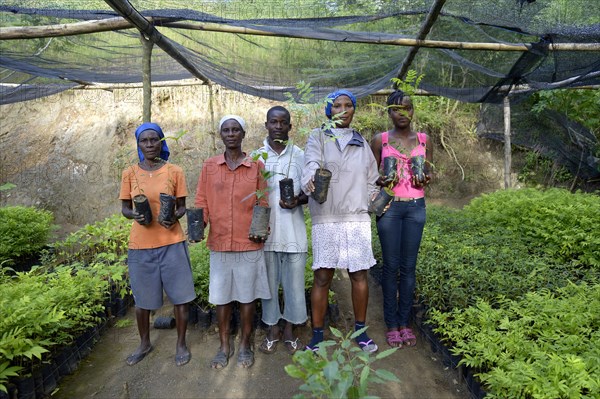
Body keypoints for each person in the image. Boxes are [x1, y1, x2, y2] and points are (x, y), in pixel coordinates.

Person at [301, 90, 380, 352]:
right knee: (323, 276)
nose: (343, 110)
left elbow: (371, 179)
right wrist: (312, 177)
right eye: (337, 106)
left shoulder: (362, 143)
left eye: (348, 105)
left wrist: (377, 197)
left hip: (356, 218)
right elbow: (310, 163)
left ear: (354, 110)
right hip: (327, 217)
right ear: (329, 110)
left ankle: (361, 332)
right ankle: (317, 335)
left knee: (359, 275)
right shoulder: (318, 137)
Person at [194, 115, 271, 369]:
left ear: (243, 134)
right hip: (219, 243)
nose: (230, 133)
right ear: (221, 135)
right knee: (222, 298)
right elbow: (202, 201)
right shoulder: (210, 166)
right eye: (226, 130)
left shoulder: (256, 166)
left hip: (248, 242)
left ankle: (246, 344)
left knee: (247, 297)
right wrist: (198, 224)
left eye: (235, 129)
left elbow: (262, 201)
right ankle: (224, 345)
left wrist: (261, 228)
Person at [119, 122, 196, 367]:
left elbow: (182, 205)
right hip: (140, 246)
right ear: (139, 144)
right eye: (145, 141)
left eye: (155, 140)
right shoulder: (130, 173)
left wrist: (176, 215)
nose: (150, 144)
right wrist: (134, 216)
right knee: (142, 300)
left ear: (162, 142)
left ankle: (181, 343)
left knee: (180, 297)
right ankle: (144, 343)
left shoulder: (174, 171)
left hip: (171, 241)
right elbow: (124, 208)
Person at [369, 89, 432, 348]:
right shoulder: (379, 140)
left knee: (409, 267)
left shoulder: (424, 139)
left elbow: (429, 171)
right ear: (389, 113)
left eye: (406, 108)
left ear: (413, 110)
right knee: (391, 266)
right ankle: (391, 323)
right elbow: (371, 175)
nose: (402, 113)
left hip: (416, 207)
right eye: (396, 109)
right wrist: (381, 180)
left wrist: (427, 177)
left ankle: (405, 322)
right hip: (390, 209)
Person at [256, 106, 308, 355]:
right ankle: (272, 328)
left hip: (293, 231)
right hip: (266, 232)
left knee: (294, 284)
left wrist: (298, 200)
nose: (278, 126)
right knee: (268, 284)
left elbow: (312, 192)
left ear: (290, 126)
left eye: (283, 122)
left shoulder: (300, 155)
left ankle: (289, 329)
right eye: (273, 122)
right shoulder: (256, 157)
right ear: (265, 124)